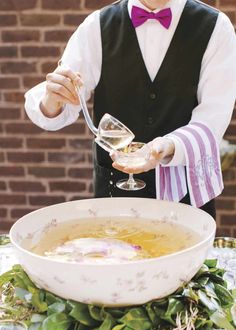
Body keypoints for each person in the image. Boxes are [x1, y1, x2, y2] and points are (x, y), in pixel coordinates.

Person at [25, 0, 236, 219]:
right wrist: (53, 100)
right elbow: (61, 105)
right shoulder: (97, 26)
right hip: (114, 197)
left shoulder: (216, 27)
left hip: (186, 199)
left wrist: (166, 146)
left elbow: (213, 119)